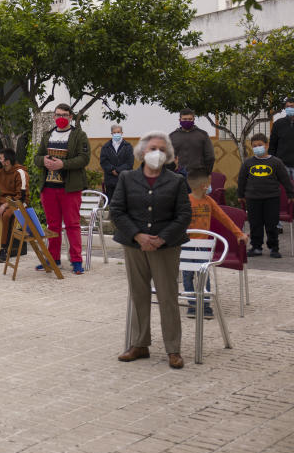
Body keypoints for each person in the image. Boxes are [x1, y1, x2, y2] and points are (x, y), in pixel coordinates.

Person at [111, 131, 191, 369]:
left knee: (168, 297)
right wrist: (137, 235)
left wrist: (162, 238)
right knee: (139, 294)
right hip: (134, 245)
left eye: (162, 149)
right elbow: (117, 210)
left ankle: (173, 349)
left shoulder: (176, 181)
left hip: (166, 247)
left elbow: (184, 214)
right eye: (152, 148)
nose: (157, 153)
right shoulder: (127, 178)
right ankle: (139, 343)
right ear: (142, 152)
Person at [33, 103, 91, 275]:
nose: (61, 118)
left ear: (70, 117)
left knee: (72, 224)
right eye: (58, 114)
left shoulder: (79, 135)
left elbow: (84, 158)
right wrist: (43, 160)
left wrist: (63, 164)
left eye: (64, 115)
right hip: (49, 188)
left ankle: (76, 261)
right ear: (54, 116)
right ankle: (53, 259)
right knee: (53, 226)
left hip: (70, 188)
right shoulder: (47, 135)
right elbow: (36, 157)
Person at [183, 169, 248, 318]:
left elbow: (224, 218)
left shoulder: (209, 201)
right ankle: (192, 306)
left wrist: (239, 233)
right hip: (186, 246)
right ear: (203, 186)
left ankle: (205, 306)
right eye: (209, 184)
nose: (210, 187)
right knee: (187, 275)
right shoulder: (185, 201)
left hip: (204, 247)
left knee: (203, 275)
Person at [238, 133, 294, 258]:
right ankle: (256, 247)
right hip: (253, 198)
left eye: (260, 145)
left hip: (272, 198)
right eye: (254, 146)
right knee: (255, 224)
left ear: (267, 145)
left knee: (272, 224)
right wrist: (240, 194)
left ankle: (274, 248)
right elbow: (242, 180)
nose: (257, 147)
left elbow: (285, 179)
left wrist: (291, 194)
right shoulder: (248, 163)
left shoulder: (276, 162)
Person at [170, 109, 215, 174]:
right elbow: (168, 158)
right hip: (178, 176)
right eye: (185, 119)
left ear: (194, 120)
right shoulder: (172, 136)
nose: (187, 121)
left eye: (190, 119)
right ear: (179, 120)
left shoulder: (203, 135)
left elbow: (210, 157)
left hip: (198, 176)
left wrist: (206, 173)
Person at [100, 125, 134, 202]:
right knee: (111, 204)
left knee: (124, 204)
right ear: (111, 133)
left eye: (118, 132)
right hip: (110, 180)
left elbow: (129, 163)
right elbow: (103, 162)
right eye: (114, 132)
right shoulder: (106, 147)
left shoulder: (128, 146)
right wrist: (112, 169)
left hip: (124, 180)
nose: (116, 134)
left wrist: (118, 170)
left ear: (122, 133)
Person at [268, 97, 294, 182]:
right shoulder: (278, 124)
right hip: (282, 165)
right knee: (283, 192)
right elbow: (272, 145)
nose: (290, 108)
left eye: (292, 106)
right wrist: (271, 162)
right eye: (287, 106)